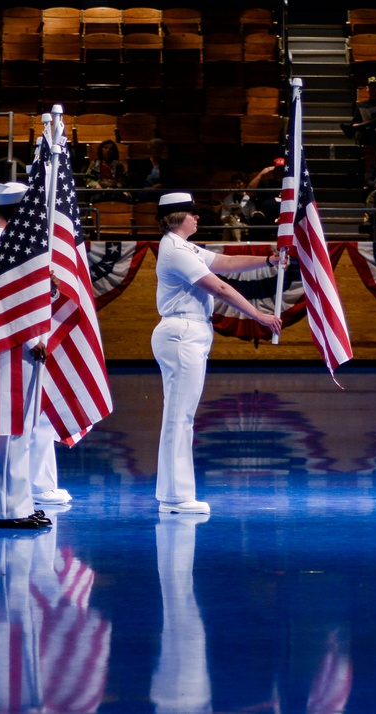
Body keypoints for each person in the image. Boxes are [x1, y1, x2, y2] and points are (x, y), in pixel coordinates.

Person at [152, 192, 284, 514]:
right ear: (177, 217)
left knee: (179, 416)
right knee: (180, 417)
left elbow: (225, 263)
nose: (197, 218)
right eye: (193, 213)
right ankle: (176, 497)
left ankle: (172, 493)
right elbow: (220, 287)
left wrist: (268, 260)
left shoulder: (182, 247)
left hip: (189, 332)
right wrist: (260, 316)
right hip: (183, 331)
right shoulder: (174, 249)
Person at [0, 182, 55, 529]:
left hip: (14, 343)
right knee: (9, 429)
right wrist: (30, 339)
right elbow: (4, 302)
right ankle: (8, 509)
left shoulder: (5, 242)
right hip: (10, 344)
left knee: (19, 429)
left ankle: (17, 505)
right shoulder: (1, 245)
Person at [341, 76, 376, 146]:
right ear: (367, 88)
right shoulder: (362, 105)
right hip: (369, 133)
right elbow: (355, 122)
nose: (373, 90)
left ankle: (352, 130)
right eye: (371, 87)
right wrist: (363, 124)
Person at [219, 173, 256, 241]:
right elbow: (223, 217)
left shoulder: (249, 198)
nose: (237, 185)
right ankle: (236, 243)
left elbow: (252, 215)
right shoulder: (228, 198)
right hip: (230, 221)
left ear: (244, 184)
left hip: (244, 224)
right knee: (229, 222)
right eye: (234, 183)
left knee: (228, 225)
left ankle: (229, 245)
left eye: (239, 183)